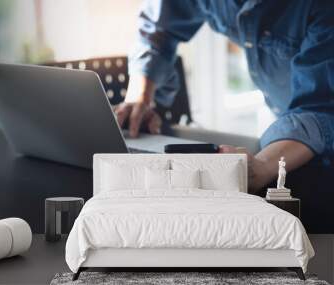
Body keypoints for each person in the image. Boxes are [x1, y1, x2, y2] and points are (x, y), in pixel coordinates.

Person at [114, 1, 334, 200]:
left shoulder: (322, 8)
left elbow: (320, 109)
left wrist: (261, 167)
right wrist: (139, 99)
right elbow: (159, 30)